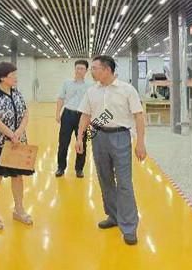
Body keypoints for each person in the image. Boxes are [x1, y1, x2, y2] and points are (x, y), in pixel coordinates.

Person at [75, 55, 147, 245]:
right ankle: (114, 216)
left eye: (95, 68)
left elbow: (139, 116)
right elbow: (85, 115)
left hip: (120, 136)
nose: (92, 71)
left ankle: (129, 227)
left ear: (107, 70)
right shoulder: (92, 91)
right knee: (105, 179)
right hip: (98, 136)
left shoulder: (127, 90)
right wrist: (80, 138)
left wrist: (140, 142)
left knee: (124, 183)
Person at [0, 62, 33, 230]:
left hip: (17, 143)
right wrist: (11, 134)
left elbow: (25, 114)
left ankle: (19, 209)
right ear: (2, 78)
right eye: (13, 75)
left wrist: (18, 132)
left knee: (17, 176)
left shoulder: (17, 94)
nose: (16, 78)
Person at [55, 60, 92, 178]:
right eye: (77, 68)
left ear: (86, 71)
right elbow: (61, 98)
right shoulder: (67, 83)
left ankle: (79, 169)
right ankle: (61, 167)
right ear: (74, 69)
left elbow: (92, 102)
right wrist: (57, 113)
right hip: (68, 114)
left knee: (82, 142)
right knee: (63, 142)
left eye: (82, 68)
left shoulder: (90, 85)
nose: (79, 71)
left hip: (83, 115)